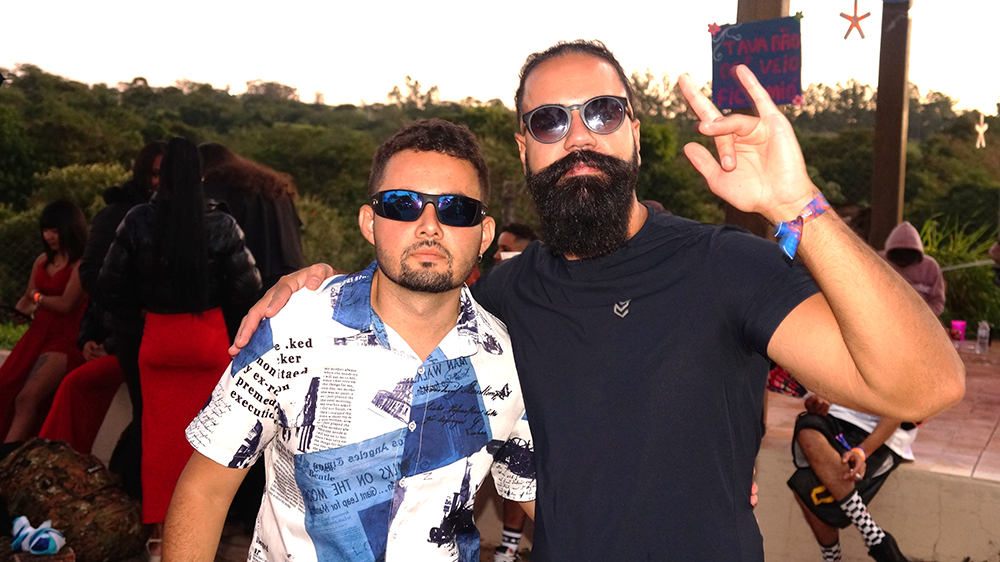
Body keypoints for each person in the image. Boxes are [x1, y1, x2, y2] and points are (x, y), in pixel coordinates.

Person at [232, 41, 964, 561]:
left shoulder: (724, 267)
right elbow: (404, 294)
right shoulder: (503, 296)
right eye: (550, 121)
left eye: (604, 113)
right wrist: (314, 285)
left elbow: (925, 386)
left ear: (635, 133)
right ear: (524, 148)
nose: (578, 137)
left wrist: (798, 205)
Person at [162, 119, 534, 562]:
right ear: (369, 223)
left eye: (456, 209)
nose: (429, 226)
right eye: (402, 204)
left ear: (484, 234)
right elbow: (204, 491)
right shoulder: (293, 327)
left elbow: (551, 507)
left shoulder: (511, 360)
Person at [99, 136, 261, 558]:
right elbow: (248, 289)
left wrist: (140, 314)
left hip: (158, 338)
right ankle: (206, 538)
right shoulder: (222, 224)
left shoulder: (137, 219)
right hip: (208, 339)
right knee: (211, 439)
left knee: (157, 441)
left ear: (163, 175)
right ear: (201, 175)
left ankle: (159, 539)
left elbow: (109, 284)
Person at [787, 220, 945, 562]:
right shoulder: (836, 327)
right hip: (841, 423)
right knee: (807, 429)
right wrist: (821, 402)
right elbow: (829, 391)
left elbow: (899, 411)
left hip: (881, 434)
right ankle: (877, 540)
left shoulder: (903, 338)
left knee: (805, 485)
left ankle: (850, 551)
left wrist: (862, 450)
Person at [81, 140, 166, 497]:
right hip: (131, 335)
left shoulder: (179, 216)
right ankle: (135, 496)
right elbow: (93, 277)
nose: (161, 182)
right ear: (143, 174)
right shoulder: (119, 214)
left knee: (155, 416)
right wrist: (125, 322)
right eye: (156, 173)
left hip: (162, 336)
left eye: (168, 174)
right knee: (148, 414)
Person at [1, 200, 89, 443]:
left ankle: (10, 455)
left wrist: (37, 298)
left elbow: (66, 304)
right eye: (46, 230)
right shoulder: (42, 260)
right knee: (6, 385)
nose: (49, 236)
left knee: (28, 397)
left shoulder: (82, 263)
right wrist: (20, 311)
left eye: (55, 230)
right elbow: (28, 297)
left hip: (66, 338)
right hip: (38, 333)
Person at [37, 299, 124, 454]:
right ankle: (55, 451)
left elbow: (132, 321)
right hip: (104, 346)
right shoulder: (99, 286)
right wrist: (86, 340)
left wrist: (109, 347)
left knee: (75, 383)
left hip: (128, 349)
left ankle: (61, 453)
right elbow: (92, 310)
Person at [877, 221, 945, 316]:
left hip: (920, 320)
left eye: (908, 256)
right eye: (899, 255)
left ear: (917, 255)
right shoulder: (878, 262)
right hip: (883, 316)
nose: (903, 259)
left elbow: (937, 302)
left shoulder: (930, 267)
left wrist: (922, 316)